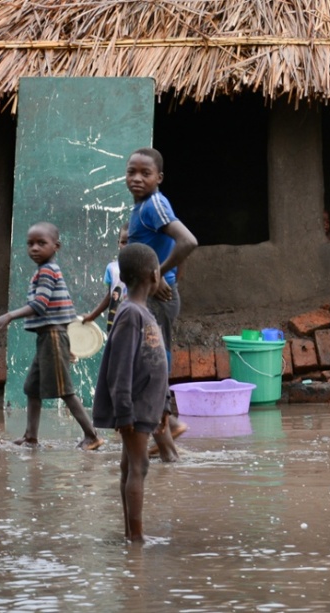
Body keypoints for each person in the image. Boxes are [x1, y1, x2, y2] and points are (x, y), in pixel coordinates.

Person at [0, 221, 104, 450]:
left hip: (53, 336)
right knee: (32, 388)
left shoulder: (48, 271)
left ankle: (92, 435)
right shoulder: (43, 271)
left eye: (41, 243)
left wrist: (9, 315)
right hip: (47, 338)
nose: (34, 248)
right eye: (30, 244)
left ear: (56, 246)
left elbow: (40, 305)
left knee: (65, 390)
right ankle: (31, 437)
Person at [92, 243, 169, 542]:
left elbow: (158, 365)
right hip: (134, 408)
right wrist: (124, 411)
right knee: (139, 465)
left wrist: (166, 404)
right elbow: (119, 369)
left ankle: (129, 534)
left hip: (146, 406)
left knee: (130, 465)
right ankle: (136, 538)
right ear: (154, 274)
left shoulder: (145, 314)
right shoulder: (129, 315)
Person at [125, 147, 198, 461]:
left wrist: (158, 273)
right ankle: (169, 441)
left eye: (145, 173)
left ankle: (169, 445)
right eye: (132, 172)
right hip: (150, 298)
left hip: (157, 300)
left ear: (159, 178)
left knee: (149, 373)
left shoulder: (154, 204)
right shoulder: (142, 207)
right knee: (147, 371)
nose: (137, 178)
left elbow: (188, 242)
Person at [81, 223, 129, 334]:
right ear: (118, 243)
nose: (127, 246)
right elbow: (110, 296)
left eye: (131, 241)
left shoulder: (141, 267)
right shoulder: (111, 268)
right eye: (123, 242)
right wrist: (92, 316)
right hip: (114, 324)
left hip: (133, 325)